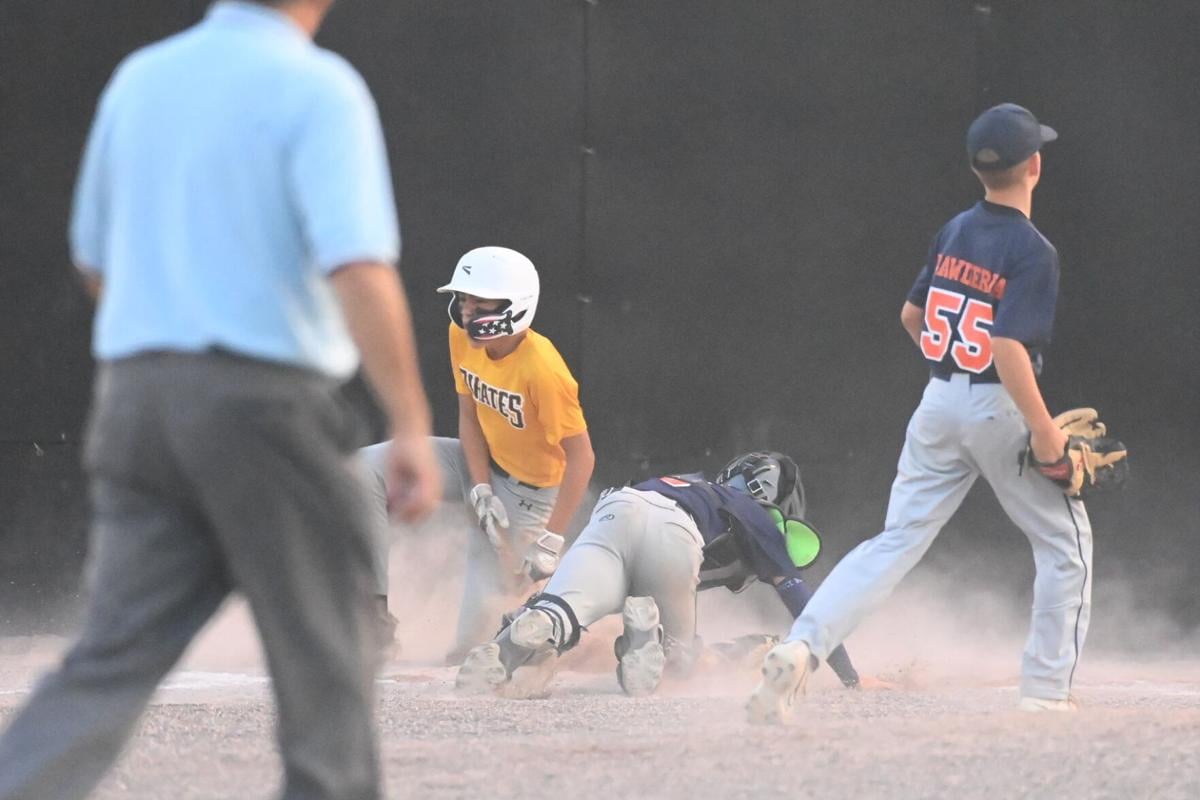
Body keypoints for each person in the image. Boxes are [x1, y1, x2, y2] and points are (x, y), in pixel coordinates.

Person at [0, 2, 441, 798]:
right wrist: (409, 422)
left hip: (136, 405)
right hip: (262, 407)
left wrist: (173, 337)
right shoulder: (318, 89)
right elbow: (360, 269)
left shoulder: (142, 80)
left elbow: (95, 264)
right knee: (327, 662)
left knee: (106, 664)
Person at [747, 103, 1093, 724]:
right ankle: (1045, 692)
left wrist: (953, 382)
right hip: (996, 403)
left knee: (895, 540)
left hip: (937, 401)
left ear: (975, 168)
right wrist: (1045, 435)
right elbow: (1008, 346)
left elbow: (913, 316)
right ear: (1034, 166)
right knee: (1066, 545)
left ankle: (802, 647)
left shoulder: (957, 228)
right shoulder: (1033, 249)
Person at [455, 451, 863, 697]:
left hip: (617, 508)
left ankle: (532, 627)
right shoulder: (756, 516)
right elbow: (801, 602)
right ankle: (647, 639)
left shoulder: (690, 484)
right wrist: (849, 676)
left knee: (568, 603)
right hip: (674, 533)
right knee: (680, 661)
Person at [361, 245, 595, 663]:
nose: (466, 310)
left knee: (472, 650)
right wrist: (481, 486)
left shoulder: (543, 369)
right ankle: (373, 621)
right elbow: (468, 414)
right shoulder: (461, 337)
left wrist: (551, 539)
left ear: (514, 306)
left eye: (479, 301)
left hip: (528, 495)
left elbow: (582, 458)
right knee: (362, 472)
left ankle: (588, 631)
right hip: (478, 464)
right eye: (464, 299)